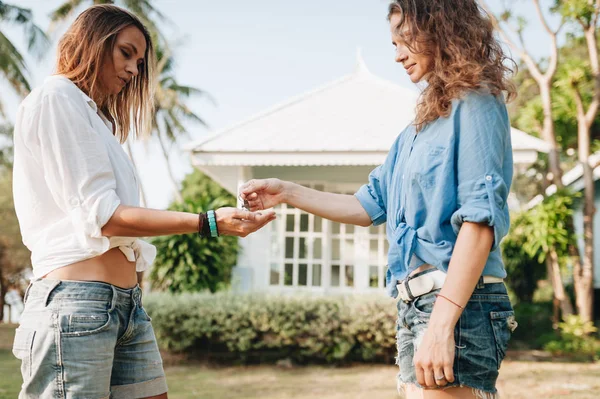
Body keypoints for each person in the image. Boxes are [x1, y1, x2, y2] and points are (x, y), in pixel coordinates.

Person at [240, 1, 518, 398]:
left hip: (457, 305)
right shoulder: (417, 129)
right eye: (393, 44)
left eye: (405, 40)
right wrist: (287, 192)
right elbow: (368, 205)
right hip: (413, 303)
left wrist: (441, 326)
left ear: (442, 29)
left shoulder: (475, 103)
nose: (398, 54)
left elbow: (480, 222)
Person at [11, 5, 274, 399]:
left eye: (140, 60)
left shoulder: (96, 121)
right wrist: (208, 221)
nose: (135, 69)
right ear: (93, 43)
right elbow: (105, 219)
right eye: (126, 53)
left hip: (125, 305)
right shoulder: (56, 98)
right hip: (75, 304)